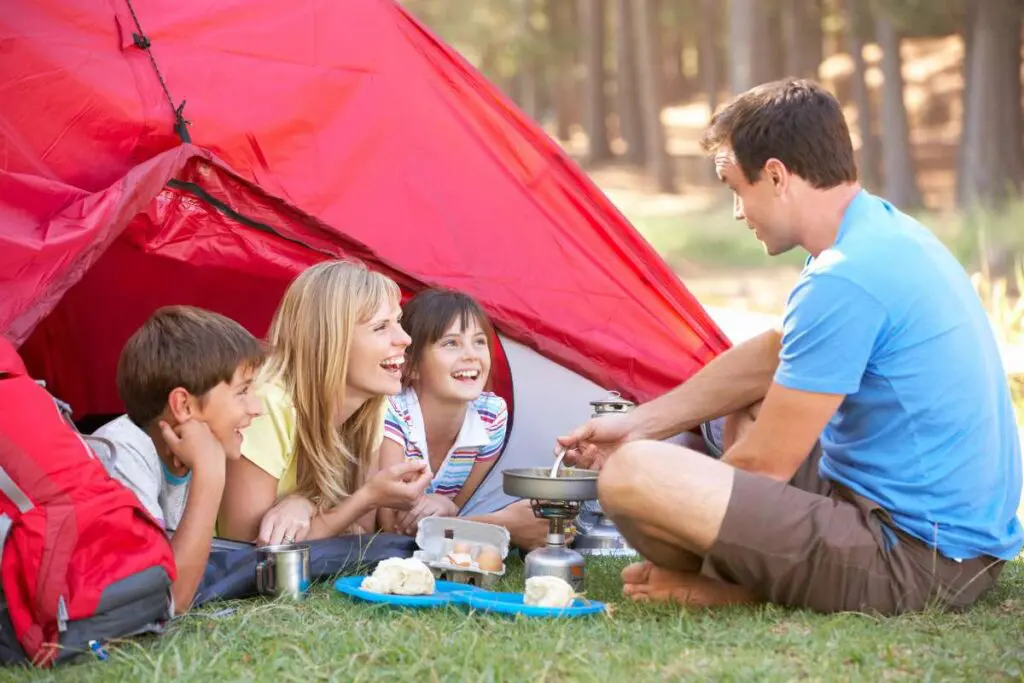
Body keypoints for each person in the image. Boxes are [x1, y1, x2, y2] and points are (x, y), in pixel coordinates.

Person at [557, 78, 1023, 615]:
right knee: (730, 412)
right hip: (948, 537)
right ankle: (758, 571)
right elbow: (779, 352)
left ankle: (743, 586)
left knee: (632, 475)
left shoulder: (845, 277)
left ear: (776, 175)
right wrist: (641, 424)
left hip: (921, 559)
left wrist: (664, 487)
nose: (737, 211)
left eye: (737, 187)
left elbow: (763, 467)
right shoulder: (879, 233)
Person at [217, 260, 432, 546]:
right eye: (381, 327)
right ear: (331, 340)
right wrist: (366, 498)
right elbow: (243, 546)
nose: (405, 339)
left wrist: (306, 502)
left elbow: (355, 532)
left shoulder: (372, 404)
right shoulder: (269, 404)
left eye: (398, 322)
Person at [92, 306, 264, 614]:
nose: (257, 407)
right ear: (183, 405)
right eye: (242, 392)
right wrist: (210, 476)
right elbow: (168, 601)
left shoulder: (191, 454)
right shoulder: (121, 456)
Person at [376, 288, 551, 549]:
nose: (471, 355)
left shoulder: (491, 415)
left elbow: (456, 508)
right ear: (411, 366)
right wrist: (504, 524)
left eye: (479, 341)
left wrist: (446, 505)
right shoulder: (391, 412)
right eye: (451, 343)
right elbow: (390, 526)